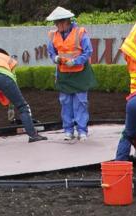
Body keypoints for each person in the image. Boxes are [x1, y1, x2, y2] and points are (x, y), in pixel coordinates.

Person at [46, 7, 96, 142]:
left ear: (66, 22)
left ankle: (82, 131)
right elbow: (51, 52)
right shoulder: (54, 35)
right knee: (65, 103)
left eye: (58, 23)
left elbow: (88, 51)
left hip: (80, 74)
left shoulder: (80, 33)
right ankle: (68, 131)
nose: (57, 26)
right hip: (64, 74)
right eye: (55, 24)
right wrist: (55, 58)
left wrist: (75, 61)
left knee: (80, 102)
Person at [0, 48, 46, 145]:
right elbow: (13, 80)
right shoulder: (9, 59)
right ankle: (33, 136)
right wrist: (11, 106)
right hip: (5, 76)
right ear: (6, 54)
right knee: (22, 107)